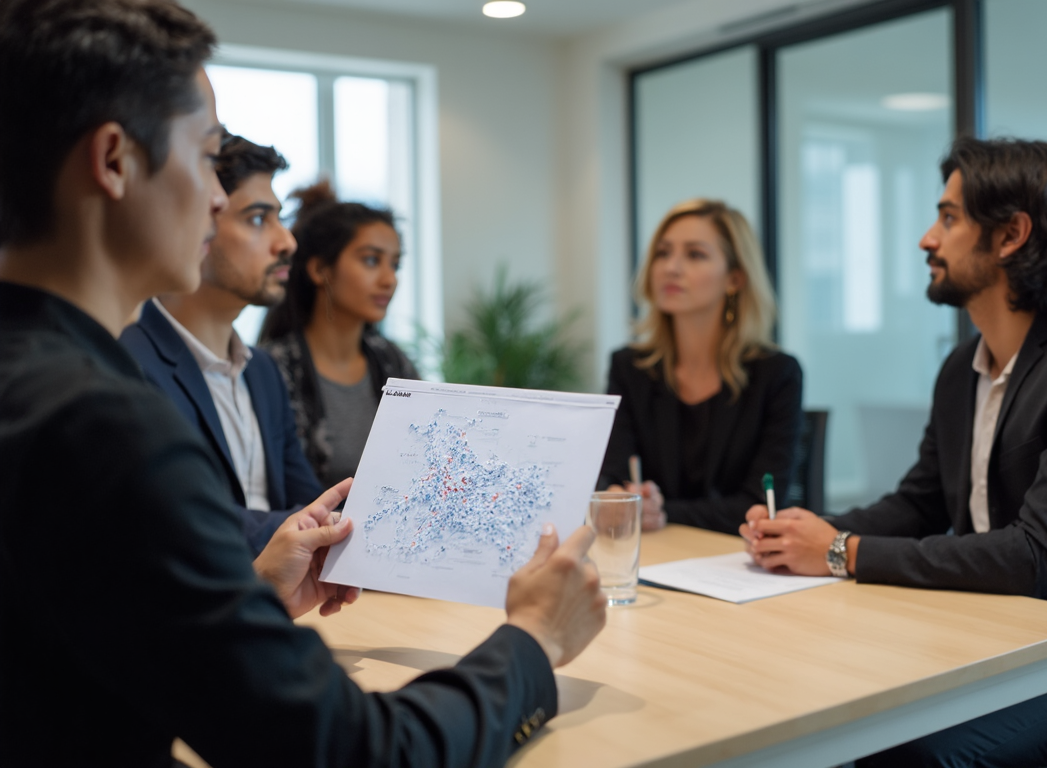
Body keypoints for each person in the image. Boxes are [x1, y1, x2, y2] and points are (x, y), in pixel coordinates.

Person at [0, 3, 605, 767]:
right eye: (204, 156)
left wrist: (239, 601)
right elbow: (353, 751)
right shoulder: (103, 427)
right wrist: (534, 640)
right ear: (115, 161)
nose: (218, 201)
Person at [740, 137, 1047, 765]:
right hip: (993, 641)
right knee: (815, 704)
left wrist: (841, 554)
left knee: (900, 750)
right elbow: (919, 503)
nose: (928, 239)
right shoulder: (963, 368)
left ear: (1010, 234)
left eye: (949, 218)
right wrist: (806, 536)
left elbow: (1036, 555)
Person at [121, 131, 322, 555]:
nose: (287, 241)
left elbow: (311, 502)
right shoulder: (130, 362)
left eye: (280, 219)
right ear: (201, 222)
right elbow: (182, 517)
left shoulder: (263, 371)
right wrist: (311, 527)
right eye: (257, 219)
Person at [598, 199, 803, 536]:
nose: (671, 268)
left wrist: (662, 512)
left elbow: (759, 505)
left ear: (735, 278)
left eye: (695, 255)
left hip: (734, 561)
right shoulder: (629, 367)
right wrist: (617, 496)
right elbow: (612, 476)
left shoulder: (777, 374)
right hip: (652, 554)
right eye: (663, 253)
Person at [259, 183, 419, 488]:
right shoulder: (275, 368)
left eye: (395, 264)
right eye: (371, 260)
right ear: (320, 269)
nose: (389, 279)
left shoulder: (392, 363)